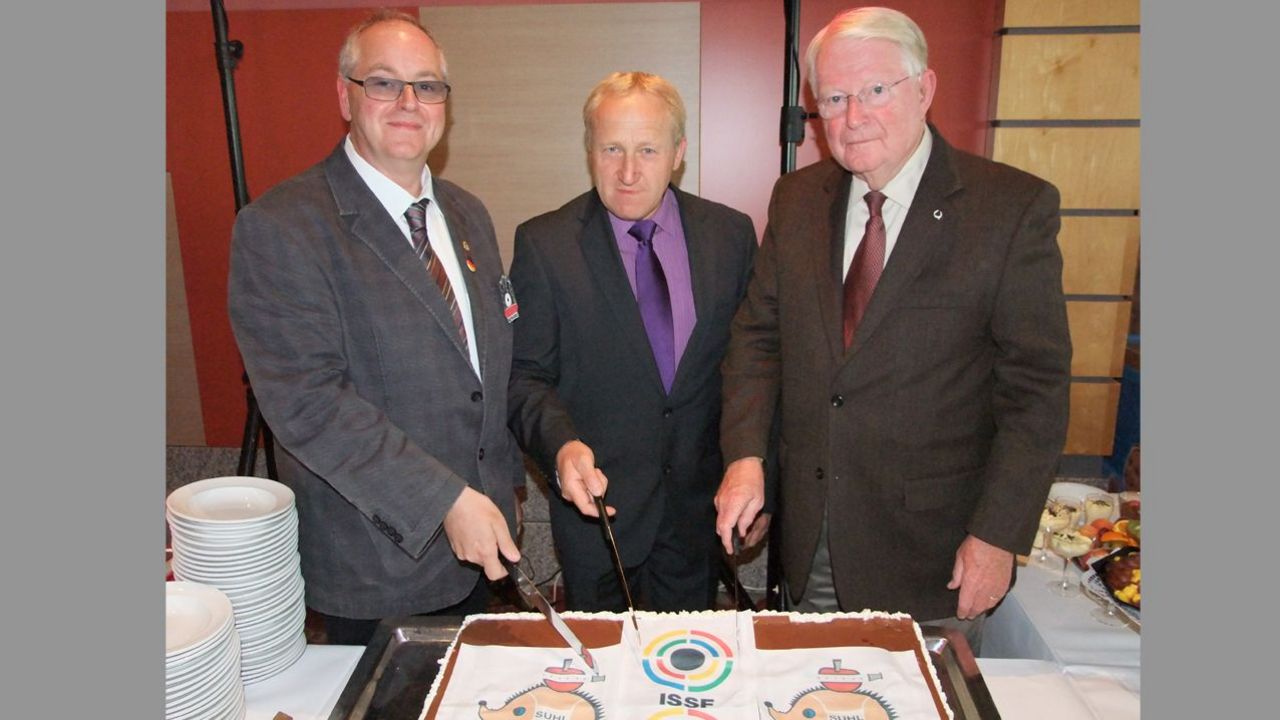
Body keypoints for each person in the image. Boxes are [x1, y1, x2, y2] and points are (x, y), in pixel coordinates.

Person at [713, 6, 1071, 650]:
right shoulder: (795, 201)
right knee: (816, 688)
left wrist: (996, 536)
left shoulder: (1012, 210)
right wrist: (746, 457)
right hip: (811, 532)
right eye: (834, 98)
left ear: (925, 89)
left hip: (936, 552)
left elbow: (1036, 394)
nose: (853, 117)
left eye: (876, 90)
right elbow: (757, 341)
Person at [227, 10, 523, 646]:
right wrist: (446, 501)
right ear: (345, 95)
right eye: (384, 83)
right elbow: (308, 405)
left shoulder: (467, 213)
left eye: (428, 85)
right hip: (381, 561)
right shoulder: (282, 227)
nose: (409, 103)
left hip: (487, 546)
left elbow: (486, 375)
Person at [507, 72, 762, 612]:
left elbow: (755, 367)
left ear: (678, 153)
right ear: (589, 150)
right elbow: (525, 376)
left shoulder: (731, 235)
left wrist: (759, 470)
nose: (627, 172)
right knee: (603, 682)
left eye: (647, 149)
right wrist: (561, 447)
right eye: (612, 149)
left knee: (686, 676)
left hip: (698, 518)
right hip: (597, 519)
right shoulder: (545, 245)